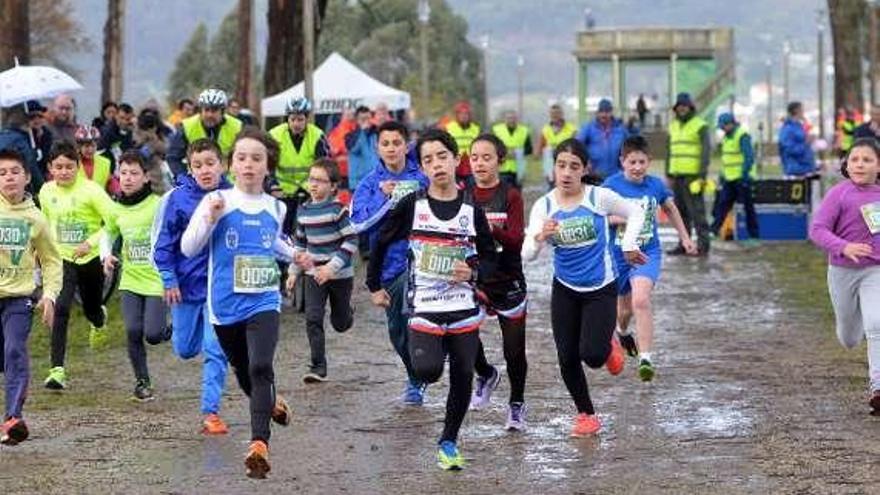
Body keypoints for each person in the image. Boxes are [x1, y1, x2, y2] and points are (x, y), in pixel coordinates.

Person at [367, 128, 498, 470]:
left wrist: (473, 273)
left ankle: (448, 442)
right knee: (427, 371)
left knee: (462, 376)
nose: (437, 164)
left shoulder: (472, 208)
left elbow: (490, 256)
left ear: (457, 160)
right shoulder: (413, 204)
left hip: (463, 307)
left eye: (442, 156)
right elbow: (380, 241)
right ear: (421, 168)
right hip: (424, 305)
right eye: (428, 159)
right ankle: (472, 373)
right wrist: (374, 285)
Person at [181, 128, 294, 479]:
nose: (248, 165)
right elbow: (189, 247)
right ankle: (271, 403)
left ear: (267, 166)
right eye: (242, 158)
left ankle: (258, 445)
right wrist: (209, 218)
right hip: (224, 306)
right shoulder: (217, 200)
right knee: (245, 372)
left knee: (261, 367)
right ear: (232, 164)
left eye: (256, 158)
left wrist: (298, 256)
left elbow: (273, 243)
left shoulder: (277, 206)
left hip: (264, 301)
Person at [522, 138, 646, 437]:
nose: (566, 173)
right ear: (554, 168)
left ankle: (609, 345)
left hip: (601, 288)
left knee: (591, 354)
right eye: (561, 165)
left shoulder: (598, 198)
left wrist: (629, 244)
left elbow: (636, 212)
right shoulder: (545, 205)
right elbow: (527, 254)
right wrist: (540, 236)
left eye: (573, 167)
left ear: (584, 169)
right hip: (565, 288)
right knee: (566, 356)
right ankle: (586, 414)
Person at [152, 138, 232, 434]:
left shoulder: (233, 195)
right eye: (198, 165)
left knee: (215, 349)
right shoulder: (177, 199)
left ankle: (210, 412)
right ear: (190, 167)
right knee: (185, 349)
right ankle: (190, 334)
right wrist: (169, 278)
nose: (205, 170)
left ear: (221, 165)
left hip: (220, 290)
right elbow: (163, 244)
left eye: (210, 163)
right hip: (186, 288)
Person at [603, 135, 696, 382]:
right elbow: (598, 216)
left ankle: (646, 359)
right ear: (622, 161)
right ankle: (622, 332)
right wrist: (621, 219)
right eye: (632, 162)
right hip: (619, 253)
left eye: (642, 162)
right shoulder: (610, 186)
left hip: (647, 252)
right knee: (623, 310)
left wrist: (685, 237)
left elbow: (671, 209)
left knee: (641, 300)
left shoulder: (655, 186)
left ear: (649, 162)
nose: (637, 167)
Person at [351, 120, 429, 405]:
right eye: (386, 144)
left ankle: (422, 373)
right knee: (397, 331)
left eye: (397, 143)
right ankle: (415, 373)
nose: (391, 148)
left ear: (406, 145)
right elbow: (359, 223)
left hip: (423, 263)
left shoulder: (422, 178)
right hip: (388, 266)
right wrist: (384, 197)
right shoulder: (370, 184)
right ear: (377, 148)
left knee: (419, 323)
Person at [809, 137, 880, 412]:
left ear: (878, 166)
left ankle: (877, 386)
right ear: (846, 165)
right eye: (854, 159)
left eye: (867, 159)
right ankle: (853, 323)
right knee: (849, 338)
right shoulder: (839, 194)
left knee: (876, 323)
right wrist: (844, 246)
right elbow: (817, 229)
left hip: (875, 270)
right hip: (842, 272)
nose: (860, 164)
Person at [38, 142, 116, 390]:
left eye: (69, 167)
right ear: (50, 168)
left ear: (78, 167)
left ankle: (99, 320)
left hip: (89, 259)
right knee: (61, 308)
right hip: (62, 259)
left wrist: (91, 242)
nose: (64, 172)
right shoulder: (46, 191)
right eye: (58, 167)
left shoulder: (91, 190)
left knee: (92, 307)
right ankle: (57, 370)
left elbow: (114, 220)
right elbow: (46, 224)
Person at [466, 133, 529, 431]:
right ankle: (486, 374)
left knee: (514, 351)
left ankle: (516, 404)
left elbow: (517, 240)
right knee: (462, 339)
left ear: (500, 161)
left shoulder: (511, 195)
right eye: (474, 157)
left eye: (486, 157)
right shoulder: (462, 193)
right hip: (474, 280)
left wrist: (491, 228)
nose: (479, 163)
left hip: (508, 280)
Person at [0, 149, 61, 445]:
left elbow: (51, 260)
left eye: (14, 171)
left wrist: (49, 295)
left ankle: (13, 418)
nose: (8, 177)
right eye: (1, 173)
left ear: (26, 177)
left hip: (18, 299)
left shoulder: (35, 218)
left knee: (14, 351)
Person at [102, 151, 167, 402]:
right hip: (130, 280)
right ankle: (142, 381)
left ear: (146, 177)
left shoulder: (158, 204)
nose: (128, 179)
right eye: (124, 173)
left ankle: (164, 329)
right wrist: (106, 255)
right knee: (132, 330)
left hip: (156, 279)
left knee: (152, 334)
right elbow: (106, 234)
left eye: (134, 173)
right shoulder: (116, 207)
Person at [286, 158, 356, 383]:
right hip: (313, 275)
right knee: (313, 317)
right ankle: (318, 366)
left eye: (320, 180)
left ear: (333, 186)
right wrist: (293, 272)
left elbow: (351, 240)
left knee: (340, 323)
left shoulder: (338, 210)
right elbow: (300, 245)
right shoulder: (303, 211)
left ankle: (347, 313)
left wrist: (332, 267)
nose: (313, 185)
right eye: (311, 179)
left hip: (340, 275)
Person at [268, 96, 329, 235]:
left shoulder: (317, 135)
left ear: (307, 119)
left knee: (310, 228)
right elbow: (267, 163)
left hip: (308, 189)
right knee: (283, 229)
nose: (296, 124)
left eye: (300, 119)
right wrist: (271, 184)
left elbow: (324, 165)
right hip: (282, 190)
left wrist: (318, 186)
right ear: (287, 119)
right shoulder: (274, 135)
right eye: (292, 119)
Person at [666, 92, 711, 255]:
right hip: (677, 176)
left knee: (697, 212)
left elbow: (706, 152)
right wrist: (668, 173)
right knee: (681, 213)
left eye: (684, 106)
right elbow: (669, 151)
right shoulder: (673, 126)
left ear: (690, 107)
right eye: (679, 106)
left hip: (693, 176)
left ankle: (703, 245)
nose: (682, 109)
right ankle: (684, 244)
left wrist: (702, 175)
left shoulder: (700, 125)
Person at [166, 89, 243, 178]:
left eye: (214, 110)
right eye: (206, 110)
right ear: (200, 110)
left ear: (222, 112)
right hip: (197, 180)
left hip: (229, 180)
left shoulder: (237, 127)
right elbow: (173, 157)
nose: (209, 115)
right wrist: (184, 178)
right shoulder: (187, 126)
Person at [710, 113, 759, 243]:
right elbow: (726, 159)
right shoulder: (726, 138)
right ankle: (714, 230)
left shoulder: (742, 135)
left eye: (724, 126)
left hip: (742, 178)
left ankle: (754, 236)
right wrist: (722, 175)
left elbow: (749, 156)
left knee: (748, 207)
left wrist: (744, 174)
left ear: (731, 123)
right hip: (729, 178)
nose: (722, 129)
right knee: (722, 205)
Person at [576, 98, 630, 179]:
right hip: (594, 176)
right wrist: (586, 163)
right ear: (597, 113)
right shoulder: (588, 128)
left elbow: (631, 148)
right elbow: (577, 146)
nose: (604, 115)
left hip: (616, 175)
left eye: (607, 112)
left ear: (612, 112)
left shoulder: (621, 130)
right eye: (601, 112)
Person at [0, 106, 43, 194]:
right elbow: (31, 166)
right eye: (31, 117)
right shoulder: (20, 140)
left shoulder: (2, 137)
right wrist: (42, 189)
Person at [537, 104, 577, 189]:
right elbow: (539, 151)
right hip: (550, 167)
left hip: (567, 166)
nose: (554, 115)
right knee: (552, 191)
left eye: (557, 113)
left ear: (562, 114)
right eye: (552, 113)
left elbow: (576, 148)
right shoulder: (545, 129)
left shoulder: (571, 129)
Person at [491, 110, 532, 188]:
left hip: (518, 169)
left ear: (517, 119)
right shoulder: (496, 130)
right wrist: (504, 153)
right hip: (502, 168)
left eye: (513, 118)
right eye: (509, 118)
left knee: (516, 194)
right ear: (504, 119)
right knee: (503, 193)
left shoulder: (524, 131)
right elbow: (491, 147)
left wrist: (517, 153)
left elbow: (529, 149)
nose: (511, 120)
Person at [778, 101, 818, 178]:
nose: (803, 112)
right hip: (794, 171)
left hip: (805, 169)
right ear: (796, 111)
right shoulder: (787, 129)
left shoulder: (799, 126)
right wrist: (806, 142)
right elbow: (789, 149)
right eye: (802, 109)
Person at [345, 106, 380, 194]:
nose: (366, 121)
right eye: (362, 119)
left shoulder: (377, 134)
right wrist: (362, 132)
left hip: (376, 180)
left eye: (368, 118)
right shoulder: (350, 136)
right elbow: (354, 149)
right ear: (357, 120)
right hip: (358, 182)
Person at [445, 101, 481, 185]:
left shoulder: (476, 129)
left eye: (466, 114)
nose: (464, 116)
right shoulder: (449, 127)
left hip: (471, 165)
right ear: (457, 115)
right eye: (461, 114)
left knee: (472, 189)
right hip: (455, 165)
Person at [75, 125, 117, 194]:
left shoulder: (105, 162)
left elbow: (110, 181)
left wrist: (117, 191)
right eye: (87, 146)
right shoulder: (72, 163)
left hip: (99, 202)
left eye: (93, 146)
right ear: (79, 147)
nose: (90, 150)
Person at [98, 102, 136, 168]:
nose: (124, 122)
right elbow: (100, 152)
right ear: (116, 116)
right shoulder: (107, 132)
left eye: (127, 119)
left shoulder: (132, 131)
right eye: (121, 118)